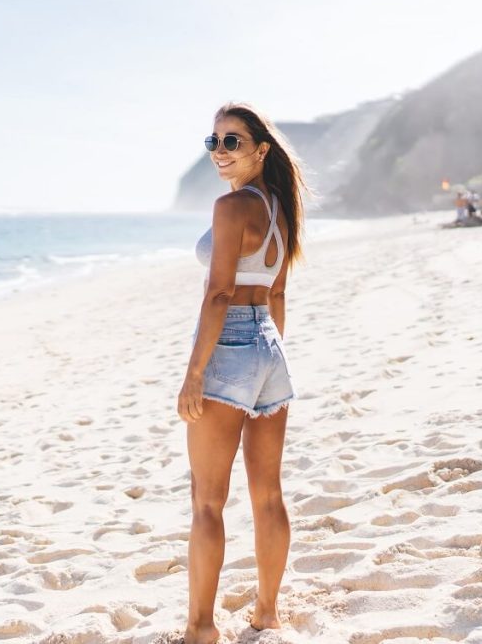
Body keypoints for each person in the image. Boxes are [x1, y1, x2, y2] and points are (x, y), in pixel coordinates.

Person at [179, 101, 306, 644]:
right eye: (214, 142)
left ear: (260, 149)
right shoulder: (280, 208)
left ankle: (201, 627)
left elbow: (219, 293)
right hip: (269, 348)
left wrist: (195, 373)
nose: (220, 152)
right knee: (268, 495)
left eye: (232, 141)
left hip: (229, 342)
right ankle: (266, 611)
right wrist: (266, 355)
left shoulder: (232, 209)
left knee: (207, 500)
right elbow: (275, 293)